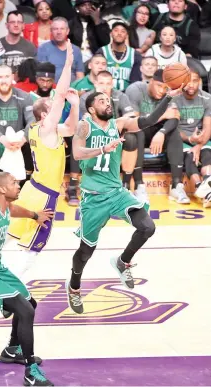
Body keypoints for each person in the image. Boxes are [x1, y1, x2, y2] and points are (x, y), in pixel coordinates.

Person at [65, 87, 182, 314]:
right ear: (91, 108)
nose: (107, 103)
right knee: (85, 251)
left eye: (108, 100)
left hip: (117, 193)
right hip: (94, 198)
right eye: (101, 101)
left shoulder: (119, 123)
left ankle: (123, 261)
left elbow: (148, 120)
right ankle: (74, 286)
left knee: (147, 227)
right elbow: (77, 154)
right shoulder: (85, 125)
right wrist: (102, 148)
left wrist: (168, 97)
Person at [0, 172, 54, 385]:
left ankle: (12, 350)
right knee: (25, 310)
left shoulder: (5, 206)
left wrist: (34, 215)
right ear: (1, 189)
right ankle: (30, 372)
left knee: (30, 303)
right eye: (14, 183)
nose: (18, 185)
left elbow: (13, 210)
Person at [7, 40, 80, 272]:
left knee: (13, 232)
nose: (56, 107)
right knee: (34, 247)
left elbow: (70, 129)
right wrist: (68, 64)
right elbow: (59, 97)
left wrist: (75, 105)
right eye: (52, 108)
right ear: (46, 114)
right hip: (44, 195)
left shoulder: (38, 130)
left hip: (32, 187)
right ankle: (11, 289)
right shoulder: (48, 127)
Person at [126, 69, 190, 204]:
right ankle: (138, 185)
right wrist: (163, 116)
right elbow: (134, 121)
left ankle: (176, 186)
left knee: (174, 133)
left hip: (157, 132)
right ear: (151, 81)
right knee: (138, 132)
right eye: (159, 86)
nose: (162, 90)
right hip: (139, 131)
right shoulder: (136, 89)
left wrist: (162, 132)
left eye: (165, 88)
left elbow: (174, 117)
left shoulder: (170, 93)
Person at [0, 64, 35, 198]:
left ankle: (24, 184)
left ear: (13, 78)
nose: (4, 80)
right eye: (0, 77)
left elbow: (32, 120)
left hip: (18, 143)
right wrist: (2, 139)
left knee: (32, 136)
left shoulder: (24, 96)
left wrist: (23, 139)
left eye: (7, 76)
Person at [174, 68, 211, 208]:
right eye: (187, 81)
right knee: (189, 157)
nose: (191, 84)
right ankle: (202, 188)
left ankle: (206, 184)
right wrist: (190, 140)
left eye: (194, 81)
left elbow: (208, 127)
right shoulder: (175, 99)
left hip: (202, 139)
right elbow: (174, 127)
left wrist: (199, 145)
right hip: (182, 139)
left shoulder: (207, 98)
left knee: (207, 154)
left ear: (199, 82)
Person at [37, 17, 84, 83]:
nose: (59, 32)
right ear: (51, 31)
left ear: (67, 31)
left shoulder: (76, 50)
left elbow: (80, 75)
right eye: (55, 29)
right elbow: (40, 75)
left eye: (62, 29)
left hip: (71, 90)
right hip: (50, 89)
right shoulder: (43, 48)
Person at [98, 21, 142, 91]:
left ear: (127, 36)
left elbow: (135, 82)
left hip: (126, 97)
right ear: (111, 34)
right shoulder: (102, 52)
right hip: (105, 93)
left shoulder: (135, 55)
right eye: (116, 30)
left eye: (123, 31)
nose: (119, 33)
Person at [0, 11, 36, 77]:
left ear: (23, 25)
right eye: (12, 22)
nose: (16, 25)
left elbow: (32, 72)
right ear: (6, 25)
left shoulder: (30, 47)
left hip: (23, 85)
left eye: (19, 22)